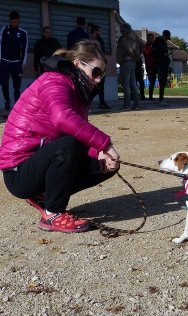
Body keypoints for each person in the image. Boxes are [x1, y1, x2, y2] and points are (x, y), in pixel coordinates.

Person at [0, 40, 120, 233]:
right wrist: (104, 145)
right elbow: (62, 118)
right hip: (18, 171)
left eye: (102, 74)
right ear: (79, 63)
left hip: (38, 163)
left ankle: (45, 195)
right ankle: (53, 213)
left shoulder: (77, 89)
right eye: (96, 72)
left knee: (106, 166)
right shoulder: (54, 81)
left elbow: (78, 133)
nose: (98, 79)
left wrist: (99, 154)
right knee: (68, 145)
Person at [0, 10, 28, 111]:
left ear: (18, 21)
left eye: (16, 22)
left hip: (16, 64)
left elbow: (25, 47)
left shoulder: (23, 33)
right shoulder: (4, 30)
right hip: (5, 63)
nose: (14, 24)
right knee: (4, 84)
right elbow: (0, 44)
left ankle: (17, 105)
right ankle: (7, 101)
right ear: (10, 21)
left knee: (17, 87)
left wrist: (22, 62)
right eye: (13, 22)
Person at [116, 23, 144, 110]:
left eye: (121, 30)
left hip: (126, 62)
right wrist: (138, 55)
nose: (120, 32)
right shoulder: (134, 36)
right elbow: (143, 44)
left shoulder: (124, 38)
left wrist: (132, 55)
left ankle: (127, 104)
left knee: (126, 84)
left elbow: (129, 50)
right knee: (133, 84)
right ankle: (136, 104)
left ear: (123, 31)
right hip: (133, 63)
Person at [89, 24, 110, 110]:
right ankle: (89, 100)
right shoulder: (91, 40)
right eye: (99, 30)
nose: (100, 32)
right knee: (95, 84)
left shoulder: (99, 40)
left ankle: (101, 102)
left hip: (100, 65)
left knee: (100, 84)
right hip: (94, 65)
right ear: (95, 31)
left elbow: (102, 52)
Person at [152, 30, 172, 106]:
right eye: (166, 38)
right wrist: (162, 54)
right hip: (159, 64)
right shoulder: (157, 42)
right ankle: (160, 98)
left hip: (164, 64)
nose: (166, 39)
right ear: (163, 36)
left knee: (163, 81)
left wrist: (166, 56)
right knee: (161, 80)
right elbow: (153, 53)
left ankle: (161, 97)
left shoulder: (164, 42)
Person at [143, 33, 157, 100]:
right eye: (150, 38)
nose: (151, 39)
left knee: (153, 81)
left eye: (152, 38)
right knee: (151, 81)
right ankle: (150, 96)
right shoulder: (146, 46)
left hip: (154, 65)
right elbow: (147, 53)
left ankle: (151, 95)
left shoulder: (154, 46)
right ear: (148, 39)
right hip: (149, 65)